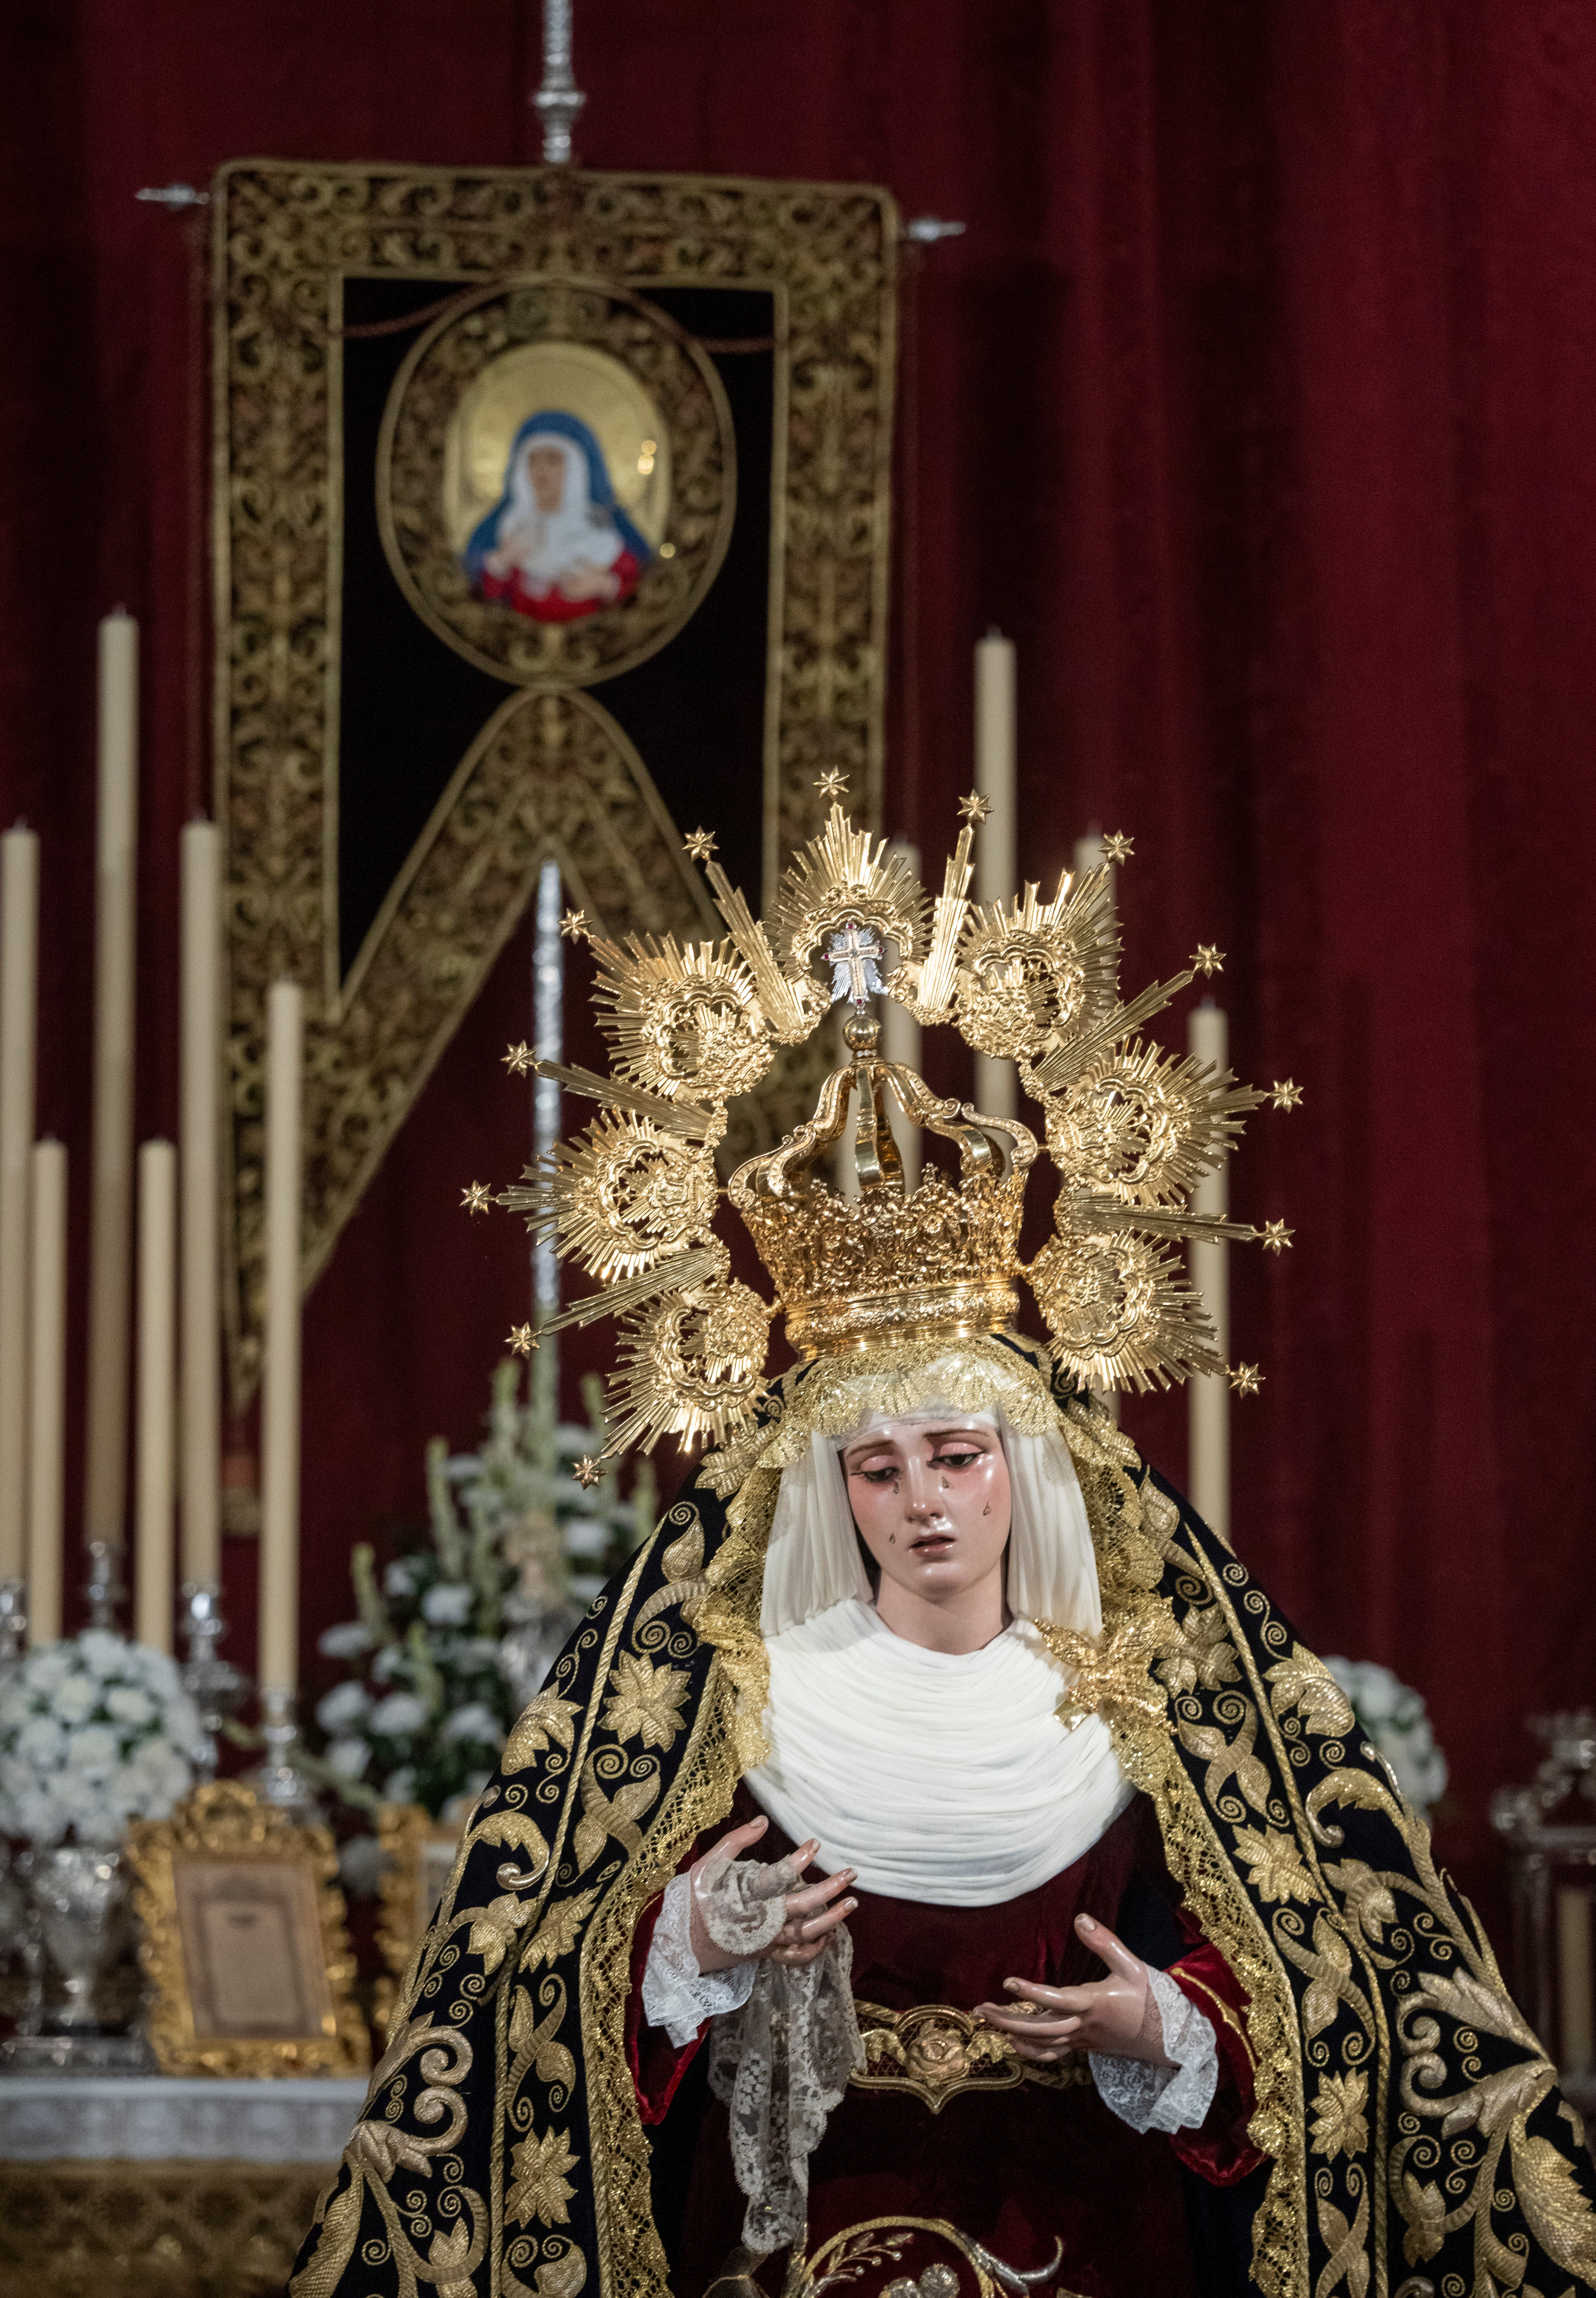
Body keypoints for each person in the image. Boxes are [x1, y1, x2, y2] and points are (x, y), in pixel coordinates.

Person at [294, 795, 1596, 2298]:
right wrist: (684, 1949)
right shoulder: (733, 1703)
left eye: (957, 1455)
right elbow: (530, 2008)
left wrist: (1164, 2031)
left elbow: (1327, 1992)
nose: (922, 1499)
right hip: (793, 2243)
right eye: (878, 1464)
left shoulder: (1142, 1701)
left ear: (1019, 1471)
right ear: (829, 1488)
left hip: (1091, 2233)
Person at [464, 409, 650, 623]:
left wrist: (603, 585)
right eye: (533, 460)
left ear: (576, 469)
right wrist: (503, 562)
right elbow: (487, 597)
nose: (541, 469)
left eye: (553, 459)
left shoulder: (600, 527)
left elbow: (635, 584)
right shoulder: (508, 527)